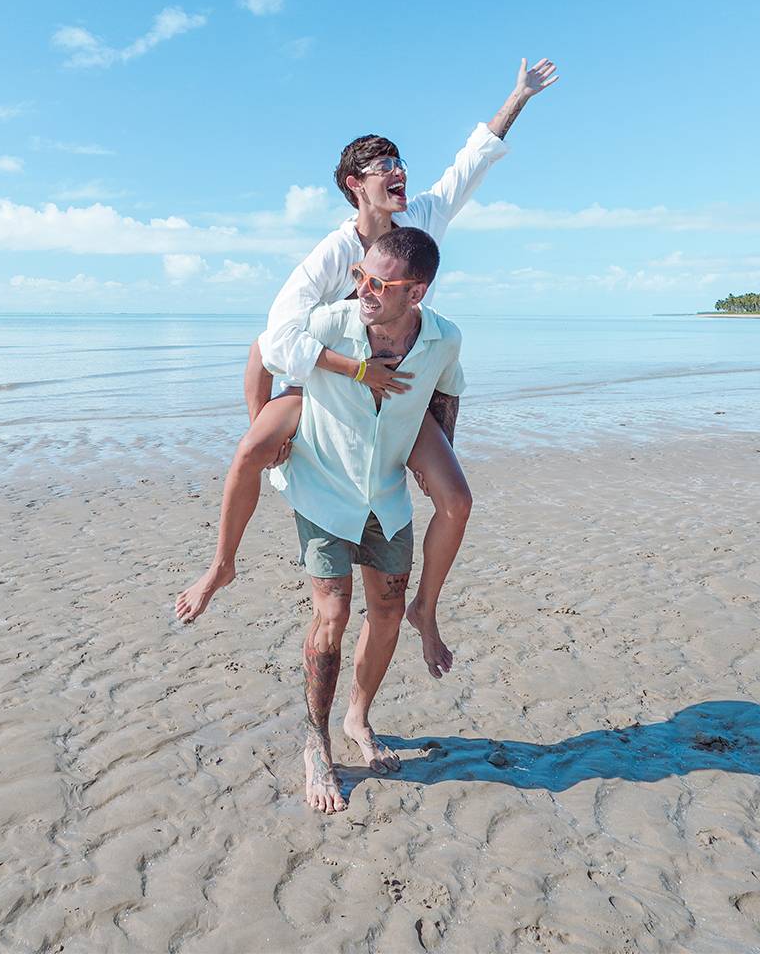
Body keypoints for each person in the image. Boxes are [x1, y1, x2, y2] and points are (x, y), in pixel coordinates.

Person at [175, 58, 559, 682]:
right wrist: (346, 377)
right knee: (252, 447)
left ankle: (424, 613)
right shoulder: (334, 254)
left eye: (399, 161)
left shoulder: (422, 222)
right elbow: (272, 342)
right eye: (383, 167)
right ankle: (222, 564)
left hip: (399, 392)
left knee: (455, 497)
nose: (398, 171)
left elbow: (474, 160)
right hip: (327, 386)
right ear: (356, 185)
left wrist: (518, 97)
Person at [275, 227, 464, 812]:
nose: (364, 290)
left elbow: (444, 398)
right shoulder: (333, 324)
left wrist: (432, 462)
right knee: (331, 614)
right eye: (360, 276)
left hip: (385, 496)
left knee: (385, 612)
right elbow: (269, 349)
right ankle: (316, 744)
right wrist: (268, 425)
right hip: (324, 490)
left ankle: (358, 717)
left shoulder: (442, 339)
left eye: (379, 283)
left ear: (418, 292)